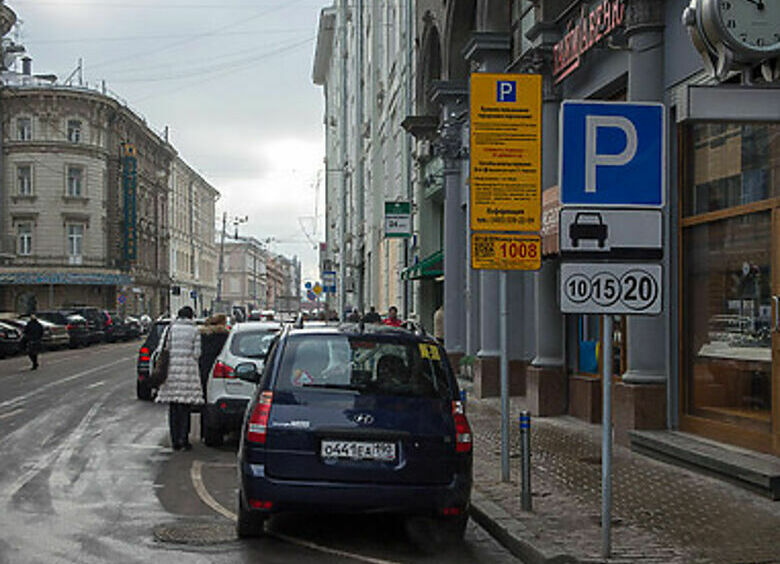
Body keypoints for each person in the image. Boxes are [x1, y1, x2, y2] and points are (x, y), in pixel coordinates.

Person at [155, 306, 202, 451]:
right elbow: (197, 353)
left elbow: (163, 348)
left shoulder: (170, 329)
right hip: (188, 372)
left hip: (171, 373)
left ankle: (175, 440)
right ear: (191, 317)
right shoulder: (195, 331)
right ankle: (184, 439)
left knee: (173, 408)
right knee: (185, 408)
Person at [199, 314, 230, 400]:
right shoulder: (224, 335)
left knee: (203, 385)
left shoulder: (202, 334)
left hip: (203, 362)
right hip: (217, 362)